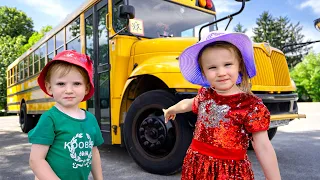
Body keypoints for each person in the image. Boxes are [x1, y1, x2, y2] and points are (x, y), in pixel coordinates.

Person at [163, 31, 281, 180]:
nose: (221, 72)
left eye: (227, 64)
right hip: (197, 166)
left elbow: (263, 147)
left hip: (230, 173)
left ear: (239, 65)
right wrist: (171, 109)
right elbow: (188, 104)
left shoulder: (250, 106)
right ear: (204, 72)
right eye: (212, 67)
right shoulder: (206, 95)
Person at [28, 50, 104, 180]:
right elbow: (36, 161)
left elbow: (93, 152)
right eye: (61, 84)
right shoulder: (50, 119)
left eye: (77, 83)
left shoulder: (90, 119)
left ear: (86, 88)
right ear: (49, 87)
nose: (69, 90)